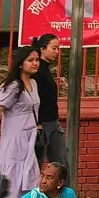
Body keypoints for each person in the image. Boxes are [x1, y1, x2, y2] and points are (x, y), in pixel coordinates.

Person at [0, 45, 42, 198]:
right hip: (14, 136)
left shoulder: (34, 84)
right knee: (11, 169)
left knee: (27, 170)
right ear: (20, 63)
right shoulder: (13, 86)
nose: (35, 63)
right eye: (30, 60)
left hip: (30, 136)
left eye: (37, 60)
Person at [32, 35, 67, 165]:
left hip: (52, 121)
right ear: (42, 49)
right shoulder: (38, 71)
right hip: (42, 124)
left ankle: (64, 186)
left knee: (61, 163)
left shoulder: (45, 68)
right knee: (38, 163)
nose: (57, 52)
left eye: (58, 48)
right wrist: (38, 123)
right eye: (54, 48)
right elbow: (35, 99)